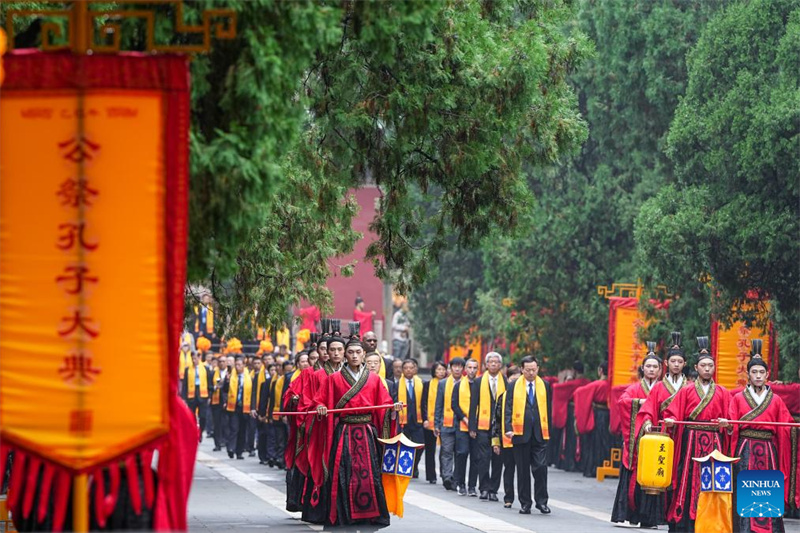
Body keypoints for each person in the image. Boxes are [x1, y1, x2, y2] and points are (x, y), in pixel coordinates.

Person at [312, 323, 403, 527]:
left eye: (358, 352)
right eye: (350, 352)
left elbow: (385, 404)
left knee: (369, 475)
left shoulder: (374, 379)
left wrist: (393, 409)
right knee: (344, 473)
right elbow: (320, 400)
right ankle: (344, 514)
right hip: (344, 432)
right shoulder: (333, 379)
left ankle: (371, 515)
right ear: (345, 355)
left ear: (364, 355)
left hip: (367, 432)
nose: (354, 356)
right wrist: (320, 408)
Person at [659, 337, 731, 533]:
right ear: (696, 368)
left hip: (715, 441)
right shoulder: (687, 391)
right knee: (689, 478)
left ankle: (713, 521)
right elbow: (673, 412)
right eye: (703, 365)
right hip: (691, 440)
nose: (707, 369)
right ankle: (686, 521)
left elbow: (731, 419)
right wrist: (671, 421)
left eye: (710, 365)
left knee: (713, 480)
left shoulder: (723, 392)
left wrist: (727, 424)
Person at [722, 339, 793, 533]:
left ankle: (770, 529)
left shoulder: (776, 400)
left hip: (768, 450)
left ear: (768, 375)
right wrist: (728, 426)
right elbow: (731, 425)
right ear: (748, 374)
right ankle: (745, 529)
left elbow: (785, 427)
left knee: (767, 487)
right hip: (745, 448)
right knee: (746, 487)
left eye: (762, 372)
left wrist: (793, 429)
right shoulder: (737, 398)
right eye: (754, 372)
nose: (758, 376)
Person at [611, 344, 664, 528]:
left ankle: (650, 518)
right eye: (648, 366)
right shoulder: (635, 388)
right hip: (637, 442)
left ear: (660, 370)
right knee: (634, 475)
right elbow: (623, 402)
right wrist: (641, 402)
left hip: (656, 440)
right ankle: (632, 514)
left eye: (655, 367)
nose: (651, 369)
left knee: (655, 477)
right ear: (642, 368)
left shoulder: (663, 389)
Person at [635, 332, 688, 515]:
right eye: (672, 361)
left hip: (683, 436)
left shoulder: (689, 387)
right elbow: (649, 409)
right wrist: (648, 422)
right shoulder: (659, 387)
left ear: (685, 365)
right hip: (663, 434)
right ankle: (656, 514)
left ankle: (677, 513)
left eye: (679, 362)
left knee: (681, 473)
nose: (676, 365)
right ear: (666, 364)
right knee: (659, 471)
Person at [505, 356, 552, 515]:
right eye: (528, 370)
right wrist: (507, 427)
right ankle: (525, 503)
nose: (531, 372)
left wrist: (548, 430)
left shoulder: (545, 385)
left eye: (534, 369)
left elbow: (548, 410)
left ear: (538, 368)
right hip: (520, 433)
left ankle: (542, 501)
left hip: (539, 434)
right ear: (522, 369)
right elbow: (508, 408)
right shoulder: (513, 386)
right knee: (523, 471)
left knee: (540, 468)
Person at [470, 352, 507, 502]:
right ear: (486, 365)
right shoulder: (479, 382)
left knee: (498, 459)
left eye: (496, 362)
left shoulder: (505, 381)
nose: (493, 364)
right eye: (490, 362)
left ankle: (493, 489)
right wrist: (472, 426)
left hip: (499, 427)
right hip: (483, 426)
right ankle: (484, 488)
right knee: (484, 458)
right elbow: (473, 405)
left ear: (500, 365)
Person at [572, 362, 611, 477]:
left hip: (598, 415)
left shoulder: (596, 384)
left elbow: (578, 393)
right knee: (607, 441)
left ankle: (594, 468)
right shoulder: (611, 385)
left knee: (595, 442)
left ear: (600, 370)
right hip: (609, 414)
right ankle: (608, 467)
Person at [548, 360, 590, 466]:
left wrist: (564, 381)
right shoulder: (588, 382)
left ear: (574, 371)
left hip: (573, 412)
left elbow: (556, 388)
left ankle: (568, 461)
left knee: (570, 437)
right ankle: (581, 461)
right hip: (586, 412)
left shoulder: (572, 384)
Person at [434, 357, 466, 491]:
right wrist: (436, 423)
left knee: (459, 452)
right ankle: (447, 477)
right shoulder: (443, 384)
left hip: (462, 424)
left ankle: (457, 478)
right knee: (446, 451)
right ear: (450, 368)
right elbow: (438, 404)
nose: (457, 369)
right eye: (455, 366)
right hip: (446, 423)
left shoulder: (467, 383)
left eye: (460, 366)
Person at [493, 365, 521, 508]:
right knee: (509, 468)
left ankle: (524, 498)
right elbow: (496, 421)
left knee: (522, 470)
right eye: (512, 379)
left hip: (522, 439)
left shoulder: (525, 396)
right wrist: (496, 441)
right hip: (507, 440)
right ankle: (508, 497)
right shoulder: (502, 397)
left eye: (517, 379)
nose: (514, 383)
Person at [221, 356, 254, 460]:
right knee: (234, 428)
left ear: (244, 366)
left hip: (245, 406)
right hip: (233, 406)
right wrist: (226, 381)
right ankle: (231, 448)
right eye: (236, 365)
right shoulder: (231, 376)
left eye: (240, 365)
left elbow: (252, 393)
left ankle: (239, 452)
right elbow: (225, 390)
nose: (238, 367)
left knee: (243, 430)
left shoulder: (249, 377)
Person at [397, 359, 425, 478]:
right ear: (402, 370)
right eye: (406, 368)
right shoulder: (397, 384)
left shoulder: (422, 383)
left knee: (420, 445)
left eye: (411, 368)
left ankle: (415, 465)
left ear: (415, 369)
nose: (408, 370)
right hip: (403, 420)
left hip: (418, 420)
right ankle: (407, 468)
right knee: (405, 446)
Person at [423, 361, 447, 484]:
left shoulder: (448, 384)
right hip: (430, 422)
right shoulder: (427, 384)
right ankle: (431, 475)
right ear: (434, 371)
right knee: (430, 450)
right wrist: (425, 419)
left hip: (444, 421)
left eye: (443, 369)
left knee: (445, 450)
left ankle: (445, 473)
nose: (441, 372)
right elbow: (424, 403)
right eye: (438, 370)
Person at [182, 351, 214, 442]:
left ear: (199, 358)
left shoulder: (205, 369)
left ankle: (200, 432)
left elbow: (209, 383)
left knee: (203, 416)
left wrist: (209, 396)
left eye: (195, 358)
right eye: (192, 358)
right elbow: (185, 384)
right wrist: (184, 397)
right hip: (191, 395)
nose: (194, 360)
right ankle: (193, 433)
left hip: (203, 395)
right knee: (191, 416)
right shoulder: (187, 370)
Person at [210, 355, 228, 451]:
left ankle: (225, 441)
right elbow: (209, 386)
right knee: (216, 423)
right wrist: (215, 387)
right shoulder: (213, 373)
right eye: (220, 361)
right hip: (216, 402)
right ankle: (217, 444)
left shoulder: (230, 373)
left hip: (227, 401)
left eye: (223, 361)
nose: (222, 363)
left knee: (226, 422)